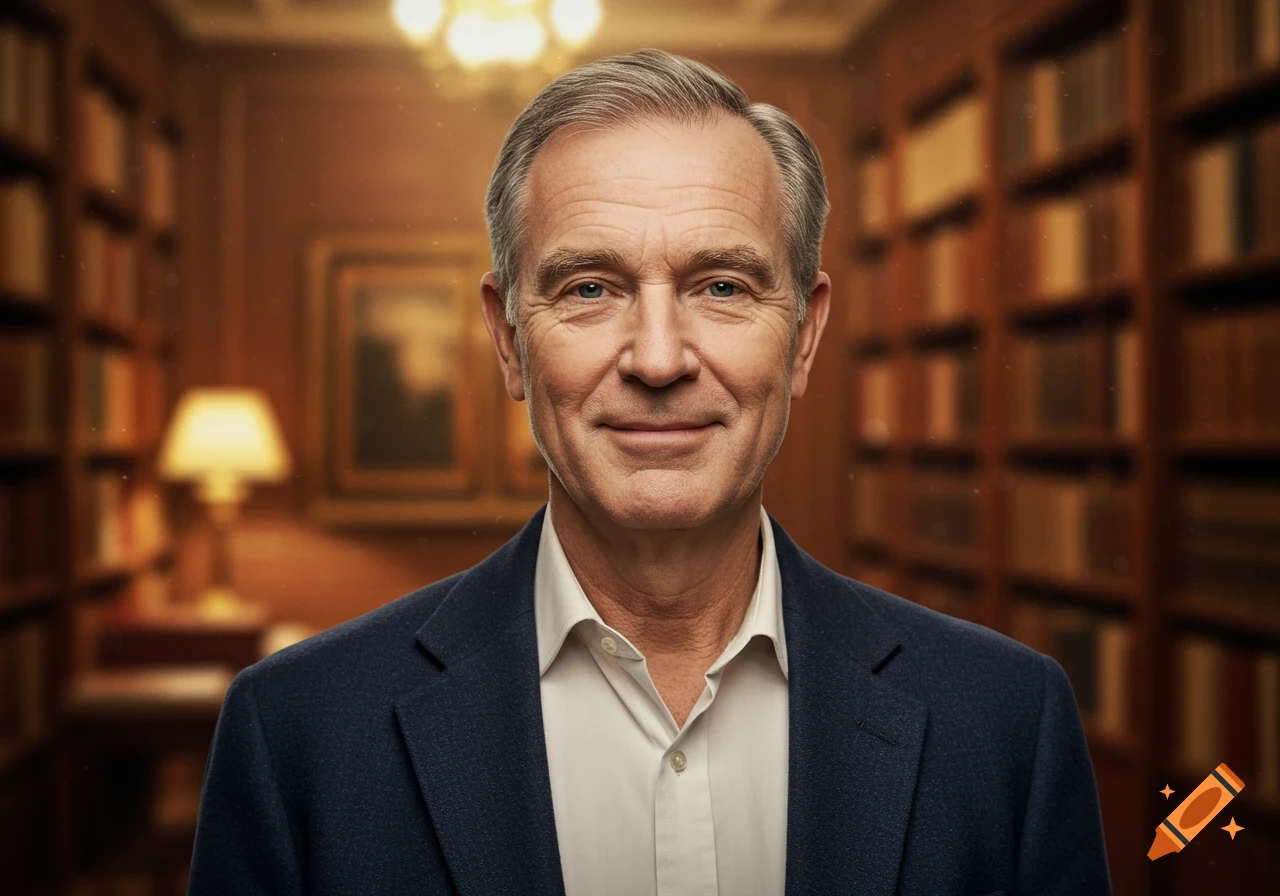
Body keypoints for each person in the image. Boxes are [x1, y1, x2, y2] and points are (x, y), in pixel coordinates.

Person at [186, 48, 1112, 896]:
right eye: (590, 288)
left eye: (722, 286)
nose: (659, 359)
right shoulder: (296, 735)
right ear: (509, 342)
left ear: (804, 336)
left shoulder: (1006, 726)